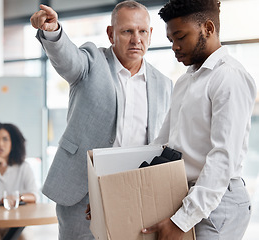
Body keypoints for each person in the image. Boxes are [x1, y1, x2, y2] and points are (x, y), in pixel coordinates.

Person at [30, 1, 172, 238]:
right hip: (82, 191)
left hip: (134, 192)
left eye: (142, 31)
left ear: (150, 34)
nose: (136, 39)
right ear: (111, 34)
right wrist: (52, 31)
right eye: (127, 31)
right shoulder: (92, 62)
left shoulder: (164, 84)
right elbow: (68, 59)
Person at [141, 1, 257, 239]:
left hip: (217, 201)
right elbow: (162, 144)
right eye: (171, 39)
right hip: (186, 195)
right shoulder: (186, 80)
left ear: (208, 28)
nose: (174, 46)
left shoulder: (229, 77)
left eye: (180, 37)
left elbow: (223, 158)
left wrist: (181, 221)